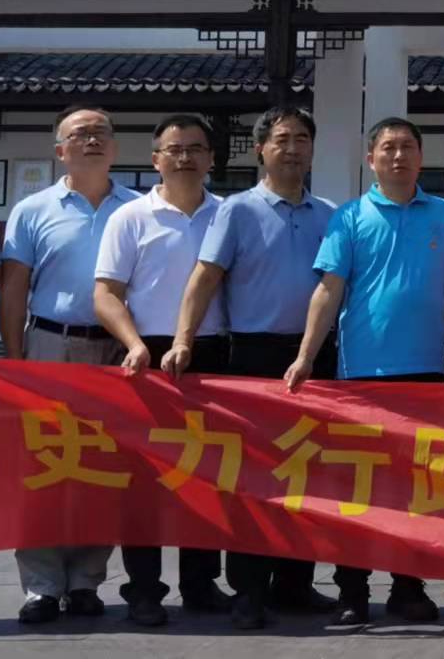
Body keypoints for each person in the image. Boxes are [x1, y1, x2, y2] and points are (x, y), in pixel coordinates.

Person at [283, 117, 444, 627]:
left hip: (426, 370)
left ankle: (409, 588)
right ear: (371, 160)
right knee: (358, 489)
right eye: (388, 148)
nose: (398, 156)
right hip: (361, 374)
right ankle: (353, 590)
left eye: (408, 146)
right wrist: (305, 355)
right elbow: (328, 290)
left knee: (415, 487)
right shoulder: (349, 217)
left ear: (421, 157)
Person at [166, 104, 339, 629]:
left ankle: (296, 584)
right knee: (252, 479)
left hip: (314, 356)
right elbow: (204, 278)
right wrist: (183, 339)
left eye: (302, 139)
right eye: (282, 139)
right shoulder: (237, 211)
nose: (292, 149)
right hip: (252, 355)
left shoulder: (331, 214)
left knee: (306, 473)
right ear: (261, 149)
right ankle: (248, 590)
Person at [0, 104, 139, 627]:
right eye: (80, 134)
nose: (92, 140)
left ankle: (85, 580)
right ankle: (40, 585)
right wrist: (15, 357)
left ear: (115, 147)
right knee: (41, 466)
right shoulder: (33, 209)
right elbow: (14, 288)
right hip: (49, 346)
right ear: (60, 150)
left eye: (101, 132)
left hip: (115, 351)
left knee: (100, 467)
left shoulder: (137, 207)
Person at [92, 115, 227, 628]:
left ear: (211, 158)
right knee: (144, 481)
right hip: (145, 355)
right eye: (175, 149)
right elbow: (106, 293)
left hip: (214, 355)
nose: (185, 158)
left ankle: (201, 583)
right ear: (155, 159)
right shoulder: (130, 217)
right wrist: (133, 345)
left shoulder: (228, 214)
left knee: (209, 475)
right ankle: (144, 588)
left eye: (196, 148)